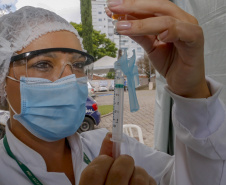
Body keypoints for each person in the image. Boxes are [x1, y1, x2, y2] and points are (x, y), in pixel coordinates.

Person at [0, 1, 225, 185]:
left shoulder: (111, 146)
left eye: (77, 65)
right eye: (42, 65)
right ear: (2, 80)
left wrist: (193, 94)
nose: (69, 80)